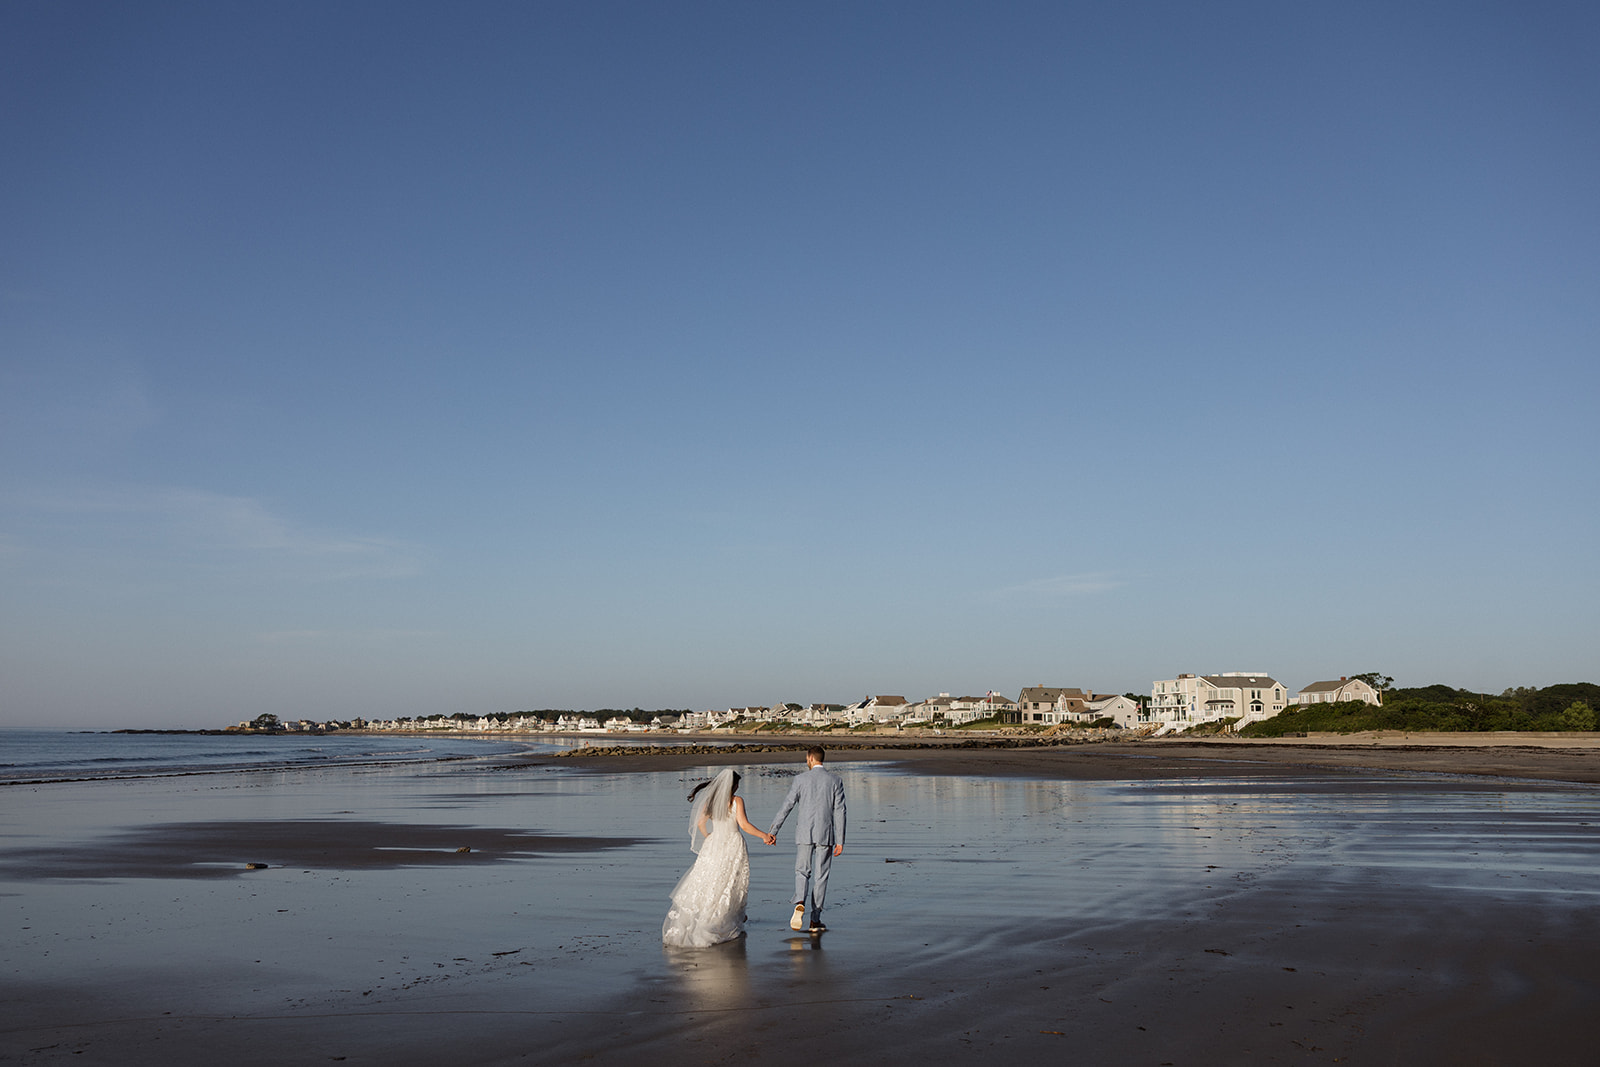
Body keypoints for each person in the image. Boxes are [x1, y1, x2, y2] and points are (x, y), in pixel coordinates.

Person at [662, 768, 776, 947]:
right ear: (734, 785)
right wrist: (764, 836)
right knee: (730, 883)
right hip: (732, 844)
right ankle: (723, 920)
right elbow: (744, 825)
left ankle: (709, 917)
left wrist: (709, 837)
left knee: (710, 881)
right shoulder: (737, 800)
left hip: (714, 843)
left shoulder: (712, 801)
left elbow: (700, 823)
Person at [767, 746, 846, 933]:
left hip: (803, 833)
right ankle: (815, 920)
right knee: (821, 877)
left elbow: (787, 806)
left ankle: (800, 900)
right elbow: (840, 811)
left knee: (802, 871)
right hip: (825, 834)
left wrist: (773, 830)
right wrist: (841, 840)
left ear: (810, 758)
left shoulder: (800, 779)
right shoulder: (835, 780)